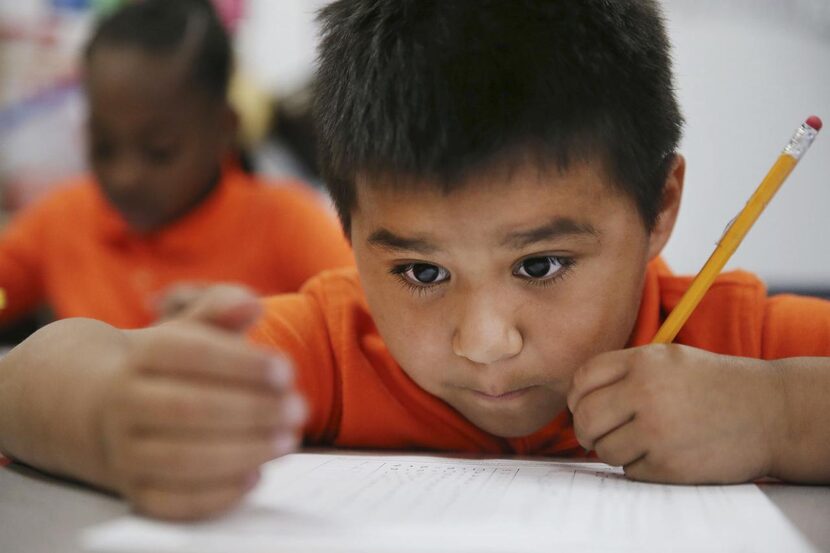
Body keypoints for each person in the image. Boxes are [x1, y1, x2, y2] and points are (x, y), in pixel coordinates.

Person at [1, 0, 829, 522]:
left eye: (541, 264)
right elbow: (26, 380)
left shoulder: (728, 344)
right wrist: (114, 413)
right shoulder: (333, 342)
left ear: (659, 209)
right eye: (422, 272)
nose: (484, 340)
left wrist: (782, 416)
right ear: (351, 227)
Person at [0, 0, 353, 331]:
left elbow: (364, 322)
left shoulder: (285, 223)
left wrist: (272, 327)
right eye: (103, 147)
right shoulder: (64, 219)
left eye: (160, 152)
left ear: (224, 129)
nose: (126, 177)